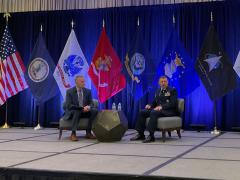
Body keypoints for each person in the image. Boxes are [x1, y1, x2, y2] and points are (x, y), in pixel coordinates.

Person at [131, 76, 178, 143]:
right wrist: (150, 105)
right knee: (142, 112)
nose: (163, 83)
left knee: (154, 112)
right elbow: (155, 102)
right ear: (159, 83)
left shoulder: (172, 90)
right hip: (159, 110)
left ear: (167, 82)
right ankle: (140, 134)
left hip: (169, 111)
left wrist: (161, 107)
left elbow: (173, 103)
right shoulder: (158, 91)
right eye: (162, 82)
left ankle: (151, 135)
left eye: (165, 81)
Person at [63, 75, 97, 141]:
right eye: (82, 82)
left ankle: (88, 132)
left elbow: (91, 103)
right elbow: (69, 105)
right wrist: (80, 108)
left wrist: (88, 107)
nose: (84, 83)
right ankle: (73, 134)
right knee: (77, 111)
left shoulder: (88, 91)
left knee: (94, 111)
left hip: (85, 111)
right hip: (74, 111)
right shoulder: (70, 91)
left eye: (84, 81)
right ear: (76, 82)